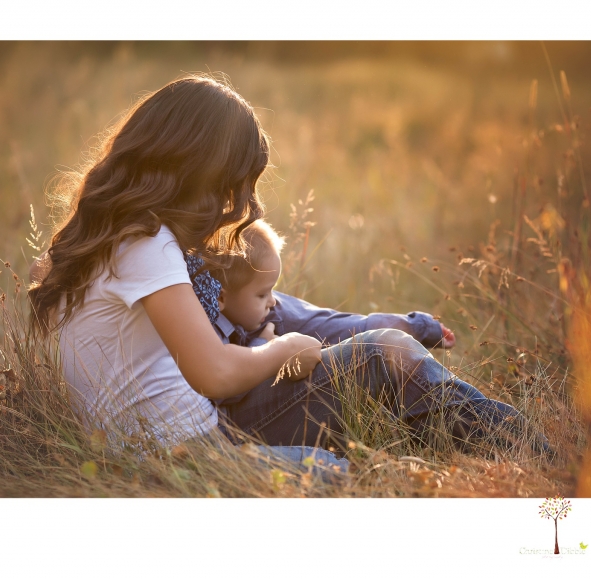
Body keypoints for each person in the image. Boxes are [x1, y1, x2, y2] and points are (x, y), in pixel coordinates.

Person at [29, 74, 548, 460]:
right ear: (190, 170)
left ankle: (478, 449)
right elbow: (213, 371)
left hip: (170, 441)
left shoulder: (105, 236)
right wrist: (285, 351)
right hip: (197, 446)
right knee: (387, 357)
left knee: (377, 364)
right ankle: (533, 454)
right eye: (227, 186)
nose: (234, 204)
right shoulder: (146, 243)